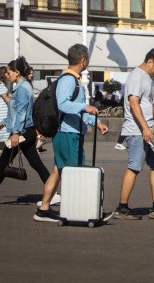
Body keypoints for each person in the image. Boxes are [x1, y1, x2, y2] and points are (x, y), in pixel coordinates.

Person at [34, 44, 109, 222]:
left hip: (64, 132)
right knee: (74, 172)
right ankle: (77, 211)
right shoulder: (69, 80)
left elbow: (75, 110)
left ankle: (43, 209)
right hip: (69, 134)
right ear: (83, 61)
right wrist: (86, 106)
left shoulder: (68, 79)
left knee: (58, 171)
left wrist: (96, 123)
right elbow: (63, 104)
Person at [0, 57, 53, 206]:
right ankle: (53, 194)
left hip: (21, 131)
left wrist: (15, 133)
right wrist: (2, 124)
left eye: (8, 73)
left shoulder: (22, 89)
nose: (7, 76)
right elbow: (14, 112)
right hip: (24, 130)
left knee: (4, 161)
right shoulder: (21, 87)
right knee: (35, 163)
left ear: (17, 72)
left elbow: (21, 113)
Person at [112, 47, 154, 221]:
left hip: (148, 130)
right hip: (137, 130)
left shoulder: (149, 78)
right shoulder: (137, 76)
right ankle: (121, 207)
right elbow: (133, 103)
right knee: (134, 166)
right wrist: (145, 127)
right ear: (150, 62)